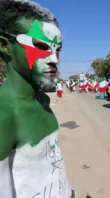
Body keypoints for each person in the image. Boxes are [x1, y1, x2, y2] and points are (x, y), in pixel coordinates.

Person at [0, 0, 75, 197]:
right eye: (41, 46)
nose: (54, 59)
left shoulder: (43, 101)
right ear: (5, 46)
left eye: (57, 49)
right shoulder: (4, 115)